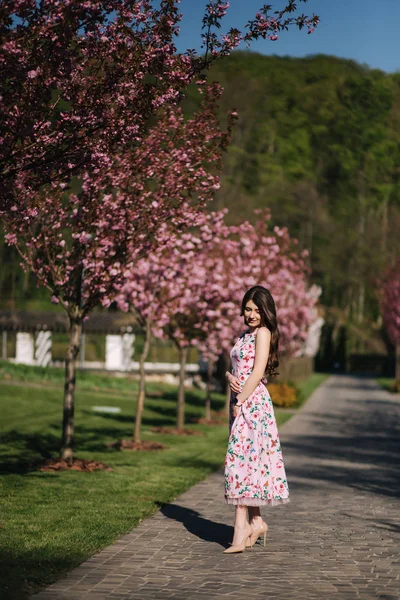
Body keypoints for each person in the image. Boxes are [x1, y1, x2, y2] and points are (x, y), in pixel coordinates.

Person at [223, 285, 290, 553]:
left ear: (266, 311)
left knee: (240, 462)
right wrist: (229, 378)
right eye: (247, 309)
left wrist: (240, 402)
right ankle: (257, 521)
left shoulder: (263, 333)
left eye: (256, 310)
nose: (251, 314)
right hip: (239, 400)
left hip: (252, 404)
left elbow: (257, 371)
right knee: (249, 462)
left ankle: (241, 533)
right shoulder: (244, 335)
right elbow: (236, 369)